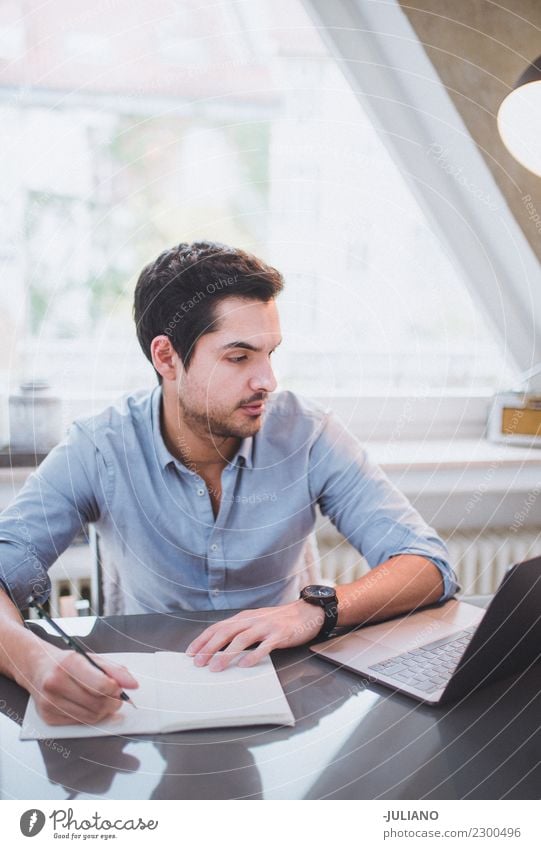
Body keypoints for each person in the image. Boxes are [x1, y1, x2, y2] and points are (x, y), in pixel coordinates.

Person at [0, 241, 458, 725]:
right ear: (167, 357)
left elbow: (428, 563)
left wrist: (315, 611)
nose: (268, 380)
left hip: (286, 691)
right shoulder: (99, 447)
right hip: (145, 696)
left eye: (270, 353)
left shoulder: (308, 433)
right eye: (239, 357)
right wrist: (27, 659)